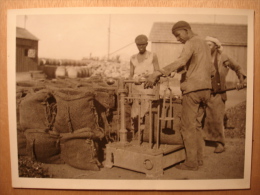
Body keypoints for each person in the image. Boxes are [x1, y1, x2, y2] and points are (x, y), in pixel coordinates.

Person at [145, 21, 214, 171]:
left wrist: (158, 72)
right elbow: (211, 70)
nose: (177, 38)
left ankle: (191, 163)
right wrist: (184, 70)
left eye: (178, 35)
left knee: (187, 127)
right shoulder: (204, 44)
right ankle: (199, 159)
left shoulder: (190, 42)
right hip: (206, 90)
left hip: (192, 91)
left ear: (185, 30)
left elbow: (181, 60)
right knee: (197, 126)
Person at [203, 36, 246, 153]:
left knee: (216, 117)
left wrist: (241, 81)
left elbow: (237, 67)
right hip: (204, 91)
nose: (207, 47)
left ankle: (219, 143)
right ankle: (204, 140)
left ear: (216, 47)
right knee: (204, 116)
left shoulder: (223, 58)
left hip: (219, 91)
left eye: (209, 45)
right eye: (205, 45)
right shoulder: (202, 58)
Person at [129, 34, 160, 134]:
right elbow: (131, 74)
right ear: (136, 45)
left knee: (146, 110)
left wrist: (151, 77)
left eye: (143, 45)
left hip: (148, 88)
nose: (141, 47)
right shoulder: (133, 58)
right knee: (135, 111)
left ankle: (145, 134)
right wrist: (130, 91)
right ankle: (135, 132)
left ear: (146, 44)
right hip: (136, 88)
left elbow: (157, 71)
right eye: (138, 45)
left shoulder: (152, 56)